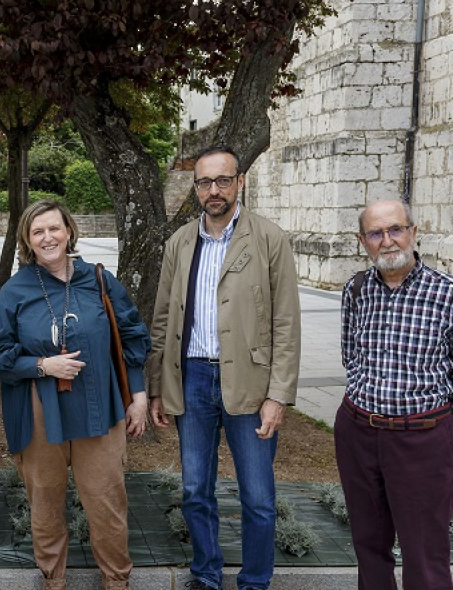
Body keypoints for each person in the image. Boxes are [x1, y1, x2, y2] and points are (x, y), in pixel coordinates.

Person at [147, 146, 301, 590]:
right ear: (195, 188)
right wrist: (157, 385)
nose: (213, 190)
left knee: (257, 497)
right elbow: (162, 319)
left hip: (250, 385)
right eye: (204, 182)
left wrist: (278, 395)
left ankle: (254, 581)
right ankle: (206, 575)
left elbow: (287, 324)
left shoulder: (269, 239)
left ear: (240, 182)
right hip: (192, 378)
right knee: (196, 490)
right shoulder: (180, 243)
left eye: (223, 180)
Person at [0, 199, 151, 590]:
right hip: (41, 412)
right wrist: (42, 365)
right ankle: (53, 581)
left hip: (100, 408)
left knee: (108, 503)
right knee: (45, 504)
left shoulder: (99, 279)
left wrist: (139, 396)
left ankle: (117, 582)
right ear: (27, 239)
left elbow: (132, 337)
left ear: (69, 231)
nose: (47, 237)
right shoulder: (16, 290)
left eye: (54, 228)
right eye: (37, 231)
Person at [336, 199, 453, 590]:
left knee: (425, 553)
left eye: (396, 229)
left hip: (422, 440)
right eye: (375, 233)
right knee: (368, 544)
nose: (387, 241)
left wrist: (428, 420)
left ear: (414, 232)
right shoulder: (355, 290)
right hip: (358, 432)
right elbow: (350, 357)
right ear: (362, 241)